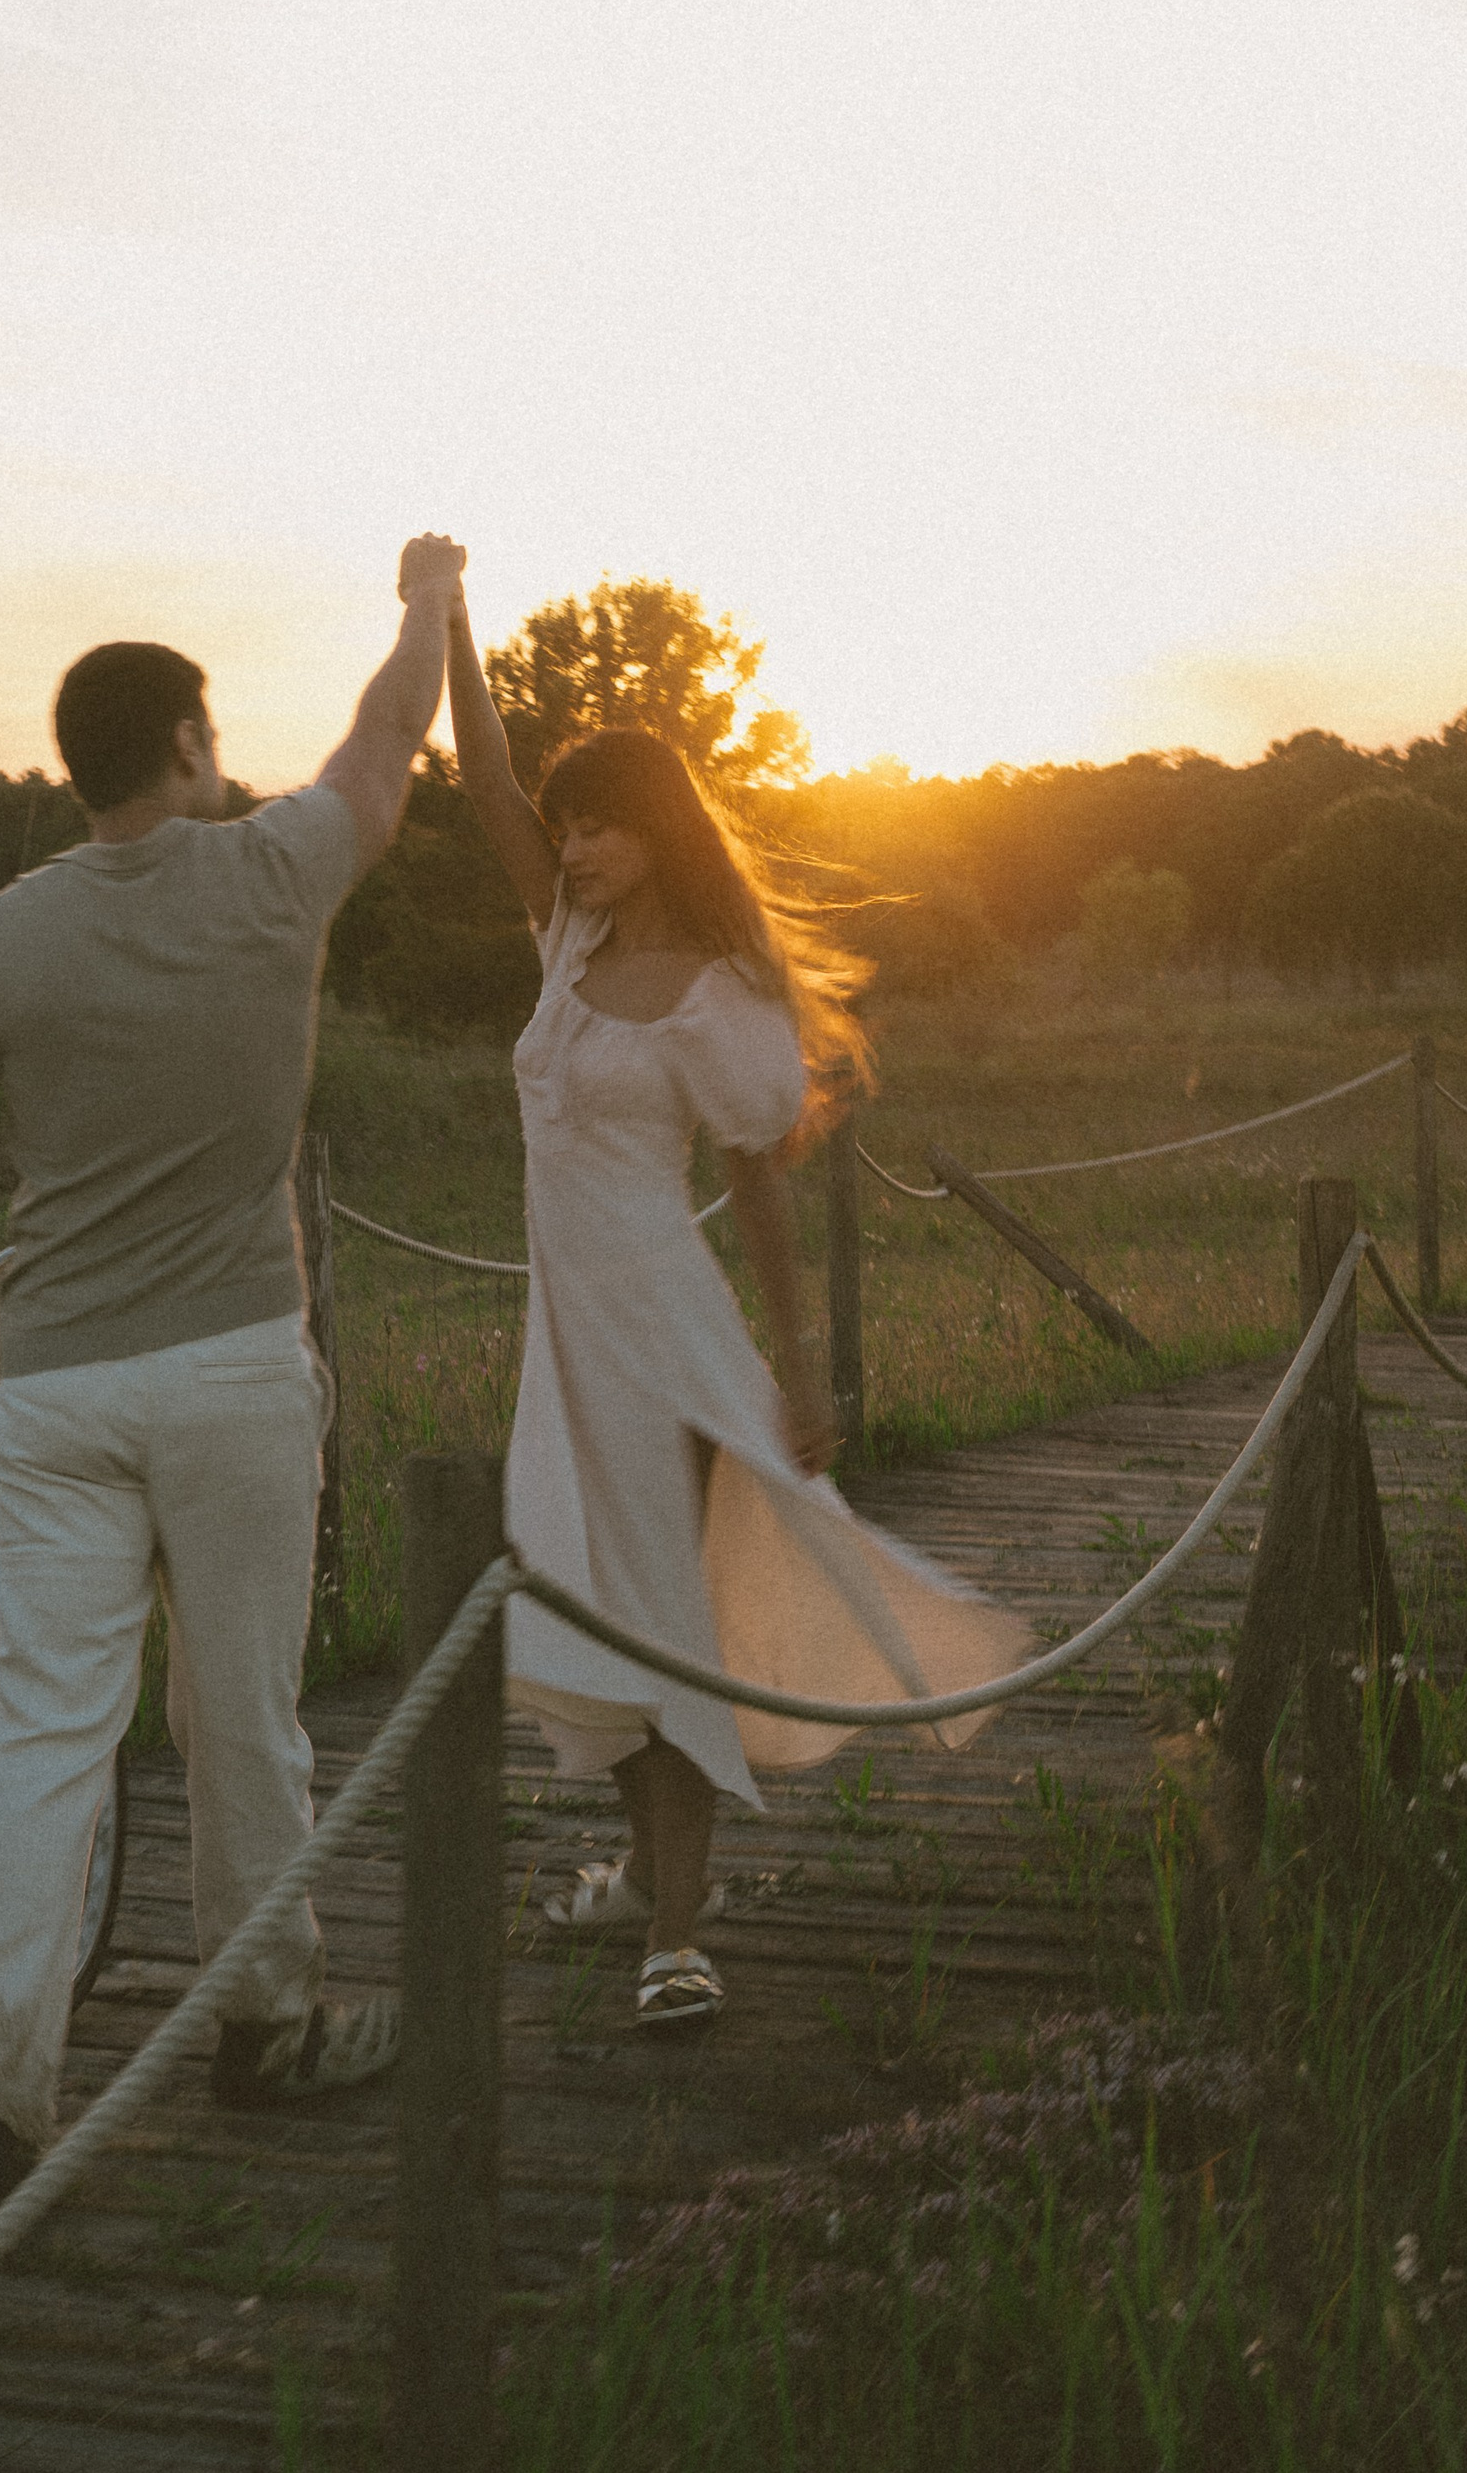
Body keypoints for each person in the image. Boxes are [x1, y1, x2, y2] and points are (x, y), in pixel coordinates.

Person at [0, 536, 468, 2220]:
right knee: (241, 1712)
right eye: (211, 732)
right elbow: (387, 738)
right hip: (237, 1368)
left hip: (60, 1390)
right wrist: (428, 598)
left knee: (45, 1729)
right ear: (185, 742)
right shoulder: (274, 873)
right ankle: (266, 2020)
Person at [444, 600, 1031, 2030]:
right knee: (596, 1605)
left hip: (661, 1340)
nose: (575, 845)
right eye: (569, 826)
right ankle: (650, 1876)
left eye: (603, 824)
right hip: (566, 1342)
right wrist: (449, 612)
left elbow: (755, 1187)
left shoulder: (716, 998)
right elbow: (484, 781)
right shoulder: (566, 941)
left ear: (662, 831)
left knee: (663, 1622)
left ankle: (677, 1937)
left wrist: (798, 1366)